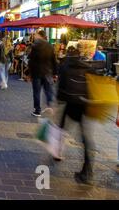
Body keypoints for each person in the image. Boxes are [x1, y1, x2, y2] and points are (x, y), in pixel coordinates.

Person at [57, 46, 95, 184]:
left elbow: (61, 87)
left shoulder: (65, 66)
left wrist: (58, 100)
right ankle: (88, 170)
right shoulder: (86, 66)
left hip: (71, 102)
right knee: (85, 137)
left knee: (61, 126)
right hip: (84, 104)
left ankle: (57, 151)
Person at [28, 30, 58, 117]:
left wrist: (30, 73)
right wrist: (55, 73)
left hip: (37, 72)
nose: (35, 36)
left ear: (40, 36)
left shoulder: (35, 46)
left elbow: (31, 61)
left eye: (37, 35)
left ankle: (37, 110)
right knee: (48, 90)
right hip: (47, 72)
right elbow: (54, 61)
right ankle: (50, 106)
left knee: (36, 92)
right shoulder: (50, 46)